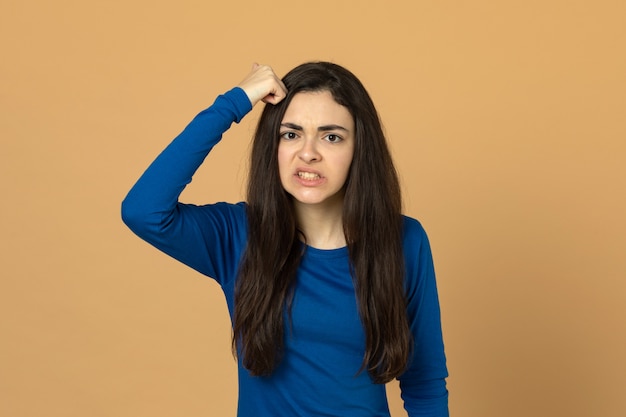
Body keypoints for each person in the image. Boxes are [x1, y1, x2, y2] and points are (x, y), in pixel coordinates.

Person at [121, 62, 449, 416]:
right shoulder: (239, 235)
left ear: (359, 149)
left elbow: (425, 383)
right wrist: (234, 103)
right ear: (272, 144)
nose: (308, 153)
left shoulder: (403, 241)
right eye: (291, 134)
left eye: (331, 136)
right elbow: (143, 210)